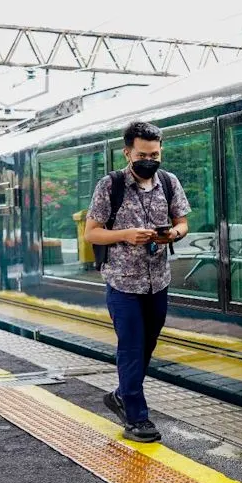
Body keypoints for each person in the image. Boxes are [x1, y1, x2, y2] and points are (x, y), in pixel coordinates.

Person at [87, 121, 190, 443]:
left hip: (158, 281)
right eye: (143, 155)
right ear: (127, 153)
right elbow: (92, 233)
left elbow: (183, 222)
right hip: (123, 283)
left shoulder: (169, 183)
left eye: (155, 154)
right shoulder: (110, 185)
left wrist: (173, 234)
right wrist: (126, 235)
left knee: (147, 345)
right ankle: (137, 418)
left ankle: (121, 395)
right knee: (131, 346)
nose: (149, 160)